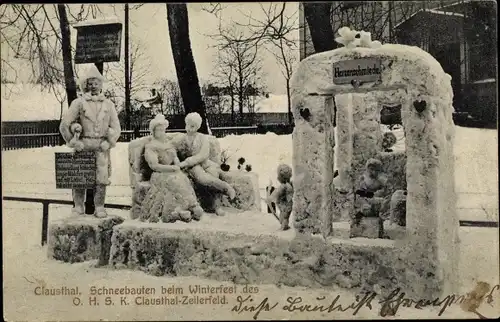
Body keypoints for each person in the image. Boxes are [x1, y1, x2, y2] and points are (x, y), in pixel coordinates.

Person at [59, 65, 121, 218]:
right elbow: (64, 125)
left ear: (101, 85)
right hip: (83, 145)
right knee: (80, 177)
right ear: (85, 85)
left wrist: (110, 141)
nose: (93, 86)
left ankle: (99, 206)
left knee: (101, 178)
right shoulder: (78, 103)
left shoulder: (109, 104)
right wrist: (73, 141)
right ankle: (78, 206)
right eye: (90, 83)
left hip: (101, 147)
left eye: (96, 83)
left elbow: (116, 128)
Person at [140, 114, 204, 223]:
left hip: (173, 171)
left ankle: (190, 206)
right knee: (173, 181)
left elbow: (174, 157)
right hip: (159, 173)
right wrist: (171, 169)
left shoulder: (168, 144)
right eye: (158, 130)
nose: (161, 132)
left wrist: (177, 164)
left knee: (183, 179)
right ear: (153, 131)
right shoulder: (151, 146)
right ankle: (176, 211)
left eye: (163, 130)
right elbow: (154, 166)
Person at [177, 112, 236, 216]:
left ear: (197, 126)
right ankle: (225, 187)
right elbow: (172, 148)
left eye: (192, 126)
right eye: (188, 125)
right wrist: (185, 162)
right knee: (203, 178)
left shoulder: (202, 138)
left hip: (206, 163)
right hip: (193, 166)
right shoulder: (182, 139)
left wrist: (188, 160)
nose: (189, 128)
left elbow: (203, 155)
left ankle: (217, 206)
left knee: (213, 173)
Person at [267, 164, 294, 230]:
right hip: (287, 206)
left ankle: (284, 227)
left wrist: (269, 189)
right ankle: (285, 226)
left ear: (282, 177)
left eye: (278, 175)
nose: (277, 178)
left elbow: (272, 197)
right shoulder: (289, 185)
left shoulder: (283, 186)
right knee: (283, 220)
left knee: (283, 220)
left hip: (284, 207)